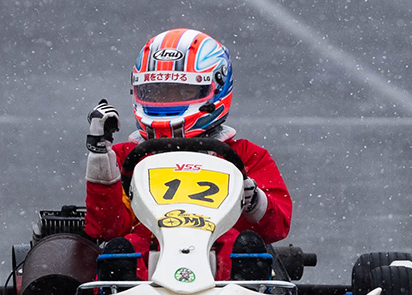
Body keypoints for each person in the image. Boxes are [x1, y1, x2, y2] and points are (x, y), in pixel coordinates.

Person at [83, 28, 292, 281]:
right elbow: (106, 228)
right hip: (147, 252)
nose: (166, 101)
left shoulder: (246, 156)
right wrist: (100, 159)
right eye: (158, 92)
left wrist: (254, 201)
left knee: (247, 248)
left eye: (182, 92)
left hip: (221, 253)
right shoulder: (124, 157)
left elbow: (277, 226)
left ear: (216, 89)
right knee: (119, 251)